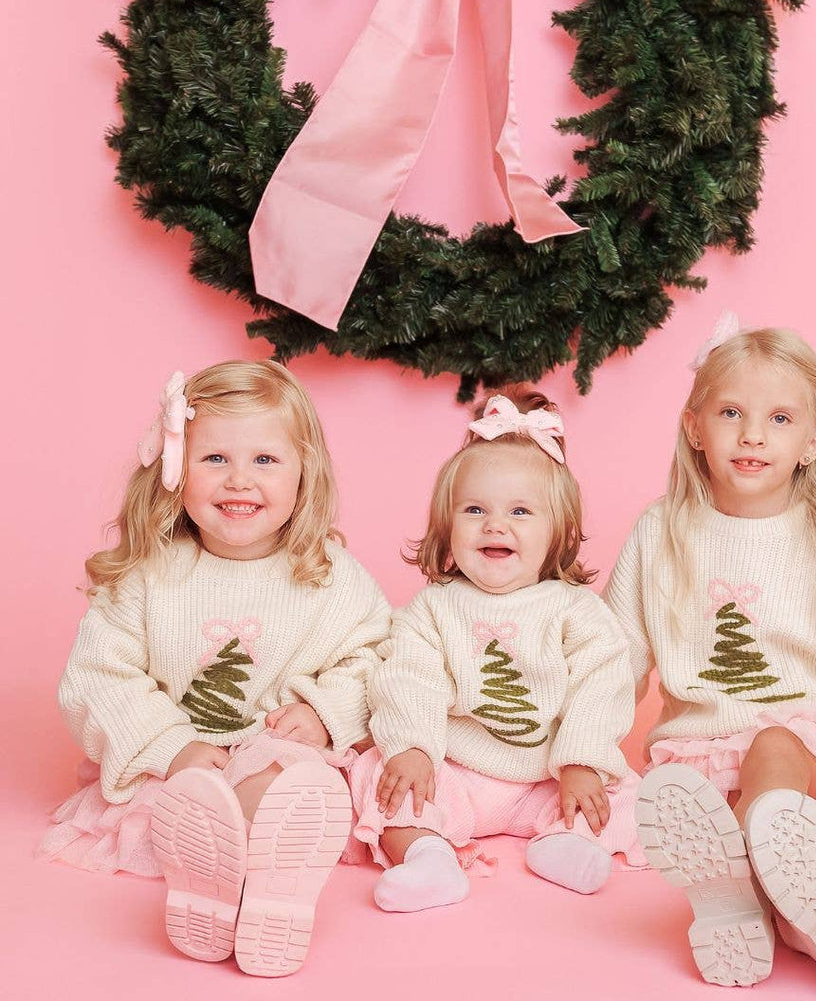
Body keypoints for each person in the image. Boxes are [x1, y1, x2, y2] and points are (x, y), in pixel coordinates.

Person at [604, 317, 816, 1000]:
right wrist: (584, 755)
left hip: (803, 758)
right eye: (731, 413)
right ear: (695, 427)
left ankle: (747, 888)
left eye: (779, 419)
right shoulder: (660, 532)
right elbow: (612, 659)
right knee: (692, 796)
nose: (753, 435)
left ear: (814, 441)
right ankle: (799, 920)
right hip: (698, 759)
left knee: (774, 748)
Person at [40, 361, 390, 977]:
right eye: (214, 459)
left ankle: (267, 883)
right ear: (175, 469)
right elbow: (98, 678)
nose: (239, 480)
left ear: (304, 471)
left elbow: (377, 655)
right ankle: (211, 876)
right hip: (176, 771)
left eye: (264, 460)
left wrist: (323, 712)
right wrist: (172, 747)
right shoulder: (150, 574)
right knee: (188, 803)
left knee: (291, 780)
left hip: (273, 752)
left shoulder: (330, 575)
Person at [348, 386, 645, 912]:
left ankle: (567, 843)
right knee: (377, 773)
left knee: (630, 795)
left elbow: (602, 684)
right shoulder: (434, 608)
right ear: (446, 525)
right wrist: (412, 747)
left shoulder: (575, 611)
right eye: (474, 509)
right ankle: (428, 857)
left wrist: (581, 761)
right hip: (454, 772)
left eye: (520, 511)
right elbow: (409, 677)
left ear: (560, 531)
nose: (495, 525)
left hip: (548, 777)